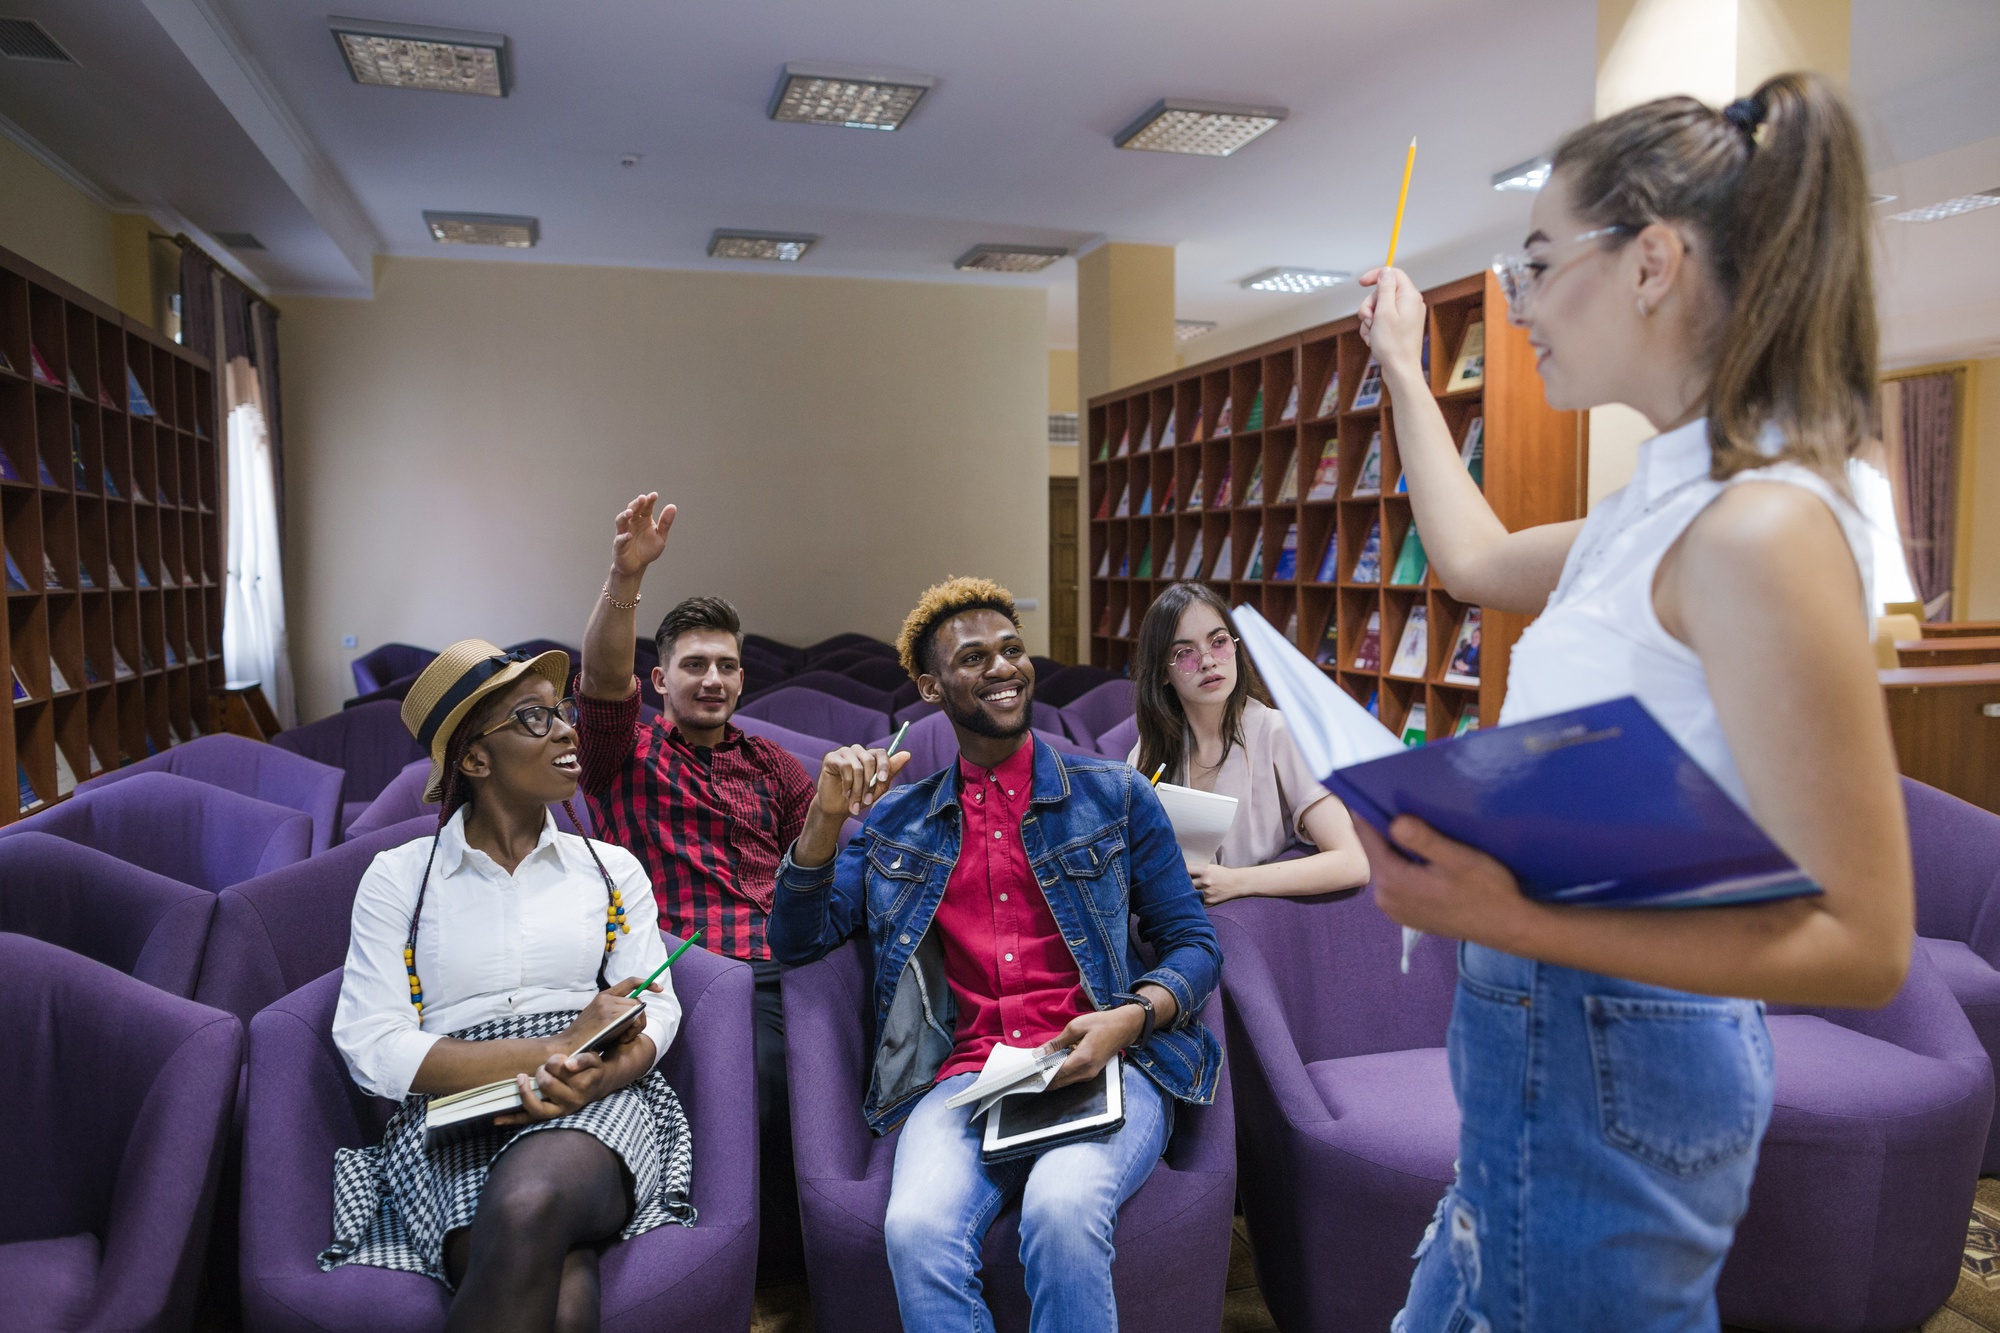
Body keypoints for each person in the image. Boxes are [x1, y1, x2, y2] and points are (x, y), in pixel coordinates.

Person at [1355, 74, 1913, 1331]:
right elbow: (1473, 559)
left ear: (1651, 261)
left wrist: (1506, 912)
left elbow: (1866, 942)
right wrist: (1399, 366)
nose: (1522, 304)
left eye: (1540, 264)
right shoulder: (1659, 504)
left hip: (1612, 1051)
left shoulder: (1759, 526)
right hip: (1543, 1048)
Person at [769, 576, 1224, 1332]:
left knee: (1063, 1208)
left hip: (1108, 1061)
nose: (1004, 667)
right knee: (915, 1229)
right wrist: (823, 820)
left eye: (1012, 649)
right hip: (965, 1078)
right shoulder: (900, 823)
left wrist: (1130, 1018)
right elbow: (797, 937)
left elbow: (1195, 944)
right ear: (929, 685)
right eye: (974, 657)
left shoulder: (1112, 794)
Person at [329, 640, 693, 1333]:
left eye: (560, 713)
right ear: (473, 758)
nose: (565, 730)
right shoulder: (398, 877)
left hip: (596, 1098)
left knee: (527, 1205)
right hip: (456, 1110)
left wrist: (595, 1071)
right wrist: (547, 1047)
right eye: (533, 718)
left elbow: (656, 1005)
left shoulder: (612, 869)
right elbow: (371, 1043)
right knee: (559, 1287)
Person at [573, 491, 816, 1282]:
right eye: (695, 665)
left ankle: (816, 1243)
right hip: (681, 971)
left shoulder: (773, 765)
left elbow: (813, 866)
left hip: (778, 961)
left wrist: (852, 809)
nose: (713, 679)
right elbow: (602, 678)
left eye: (727, 665)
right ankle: (746, 1259)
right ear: (661, 676)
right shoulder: (624, 756)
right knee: (767, 1080)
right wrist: (624, 575)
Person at [1128, 582, 1370, 903]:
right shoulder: (1154, 743)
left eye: (1219, 642)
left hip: (1254, 928)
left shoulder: (1278, 732)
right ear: (1162, 673)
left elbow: (1352, 862)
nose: (1208, 661)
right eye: (1185, 653)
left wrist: (1237, 882)